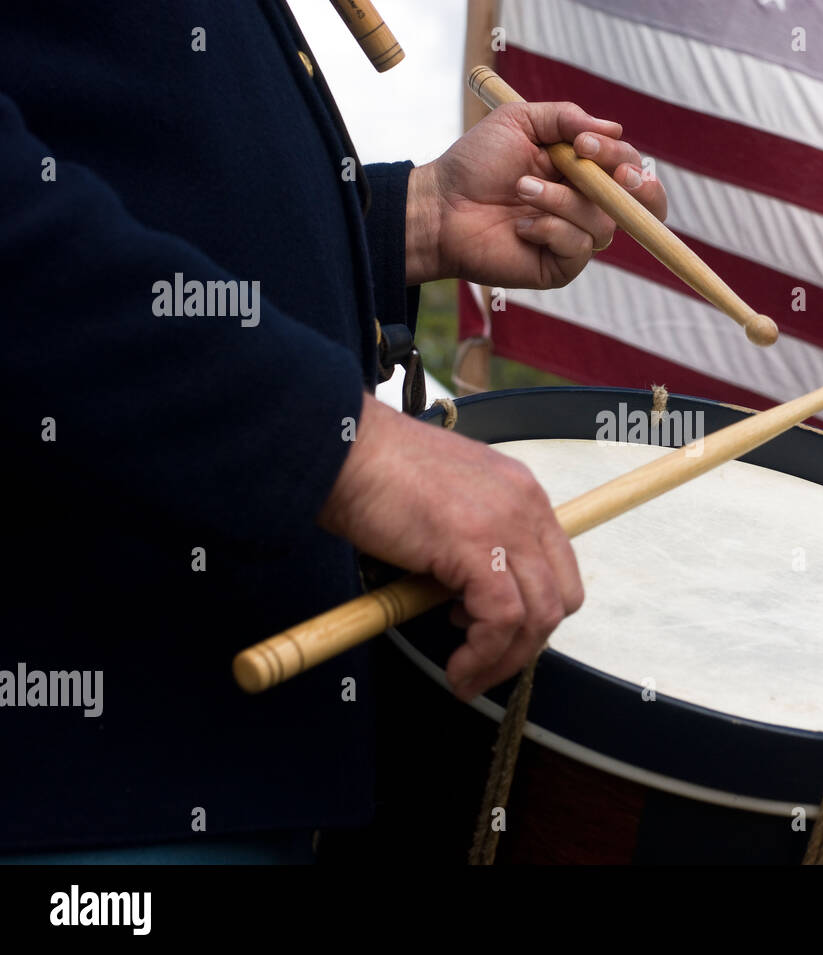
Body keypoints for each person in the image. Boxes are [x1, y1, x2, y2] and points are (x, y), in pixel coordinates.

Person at [0, 1, 666, 861]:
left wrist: (413, 219)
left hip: (218, 763)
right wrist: (349, 450)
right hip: (79, 786)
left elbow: (142, 178)